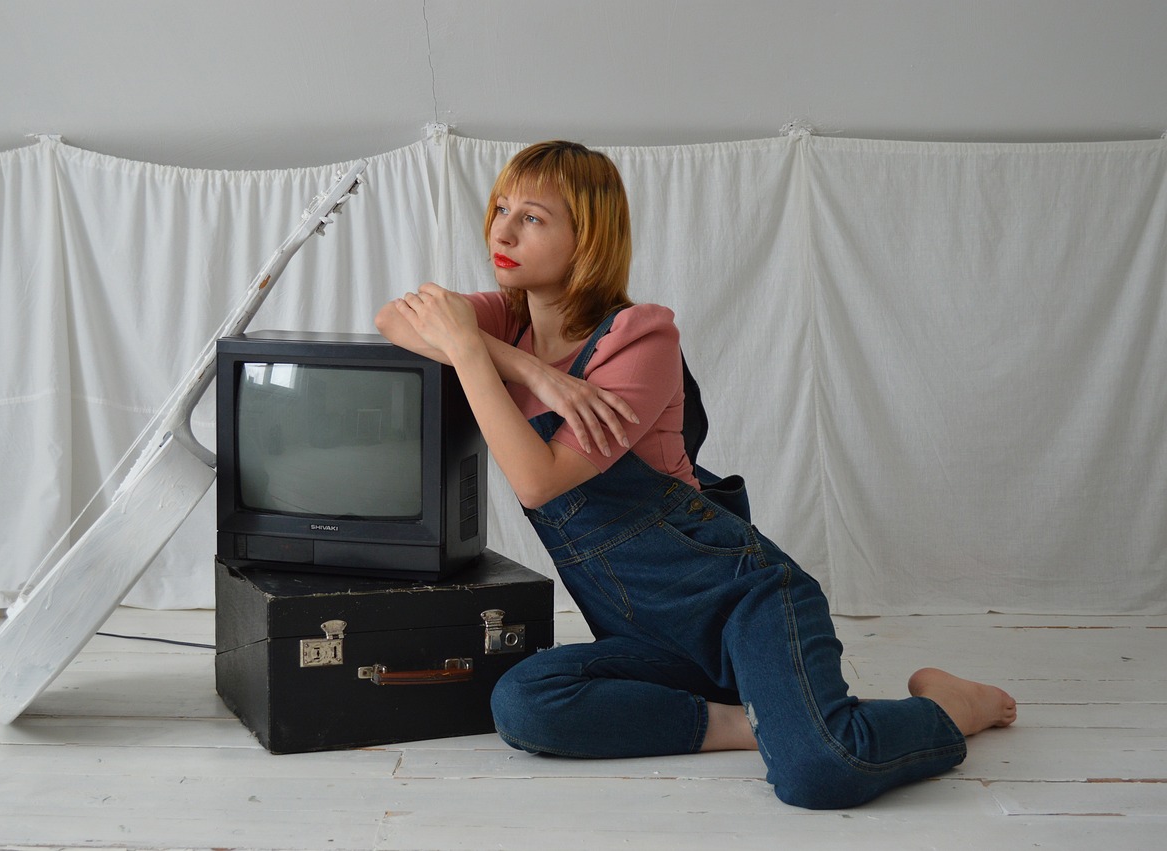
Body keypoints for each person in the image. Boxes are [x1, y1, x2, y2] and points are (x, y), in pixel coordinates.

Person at [374, 140, 1016, 809]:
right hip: (644, 637)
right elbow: (394, 316)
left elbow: (537, 480)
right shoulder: (506, 319)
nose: (501, 230)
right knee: (523, 703)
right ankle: (748, 724)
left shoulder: (639, 338)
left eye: (532, 217)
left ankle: (949, 705)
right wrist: (531, 369)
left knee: (821, 772)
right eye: (501, 207)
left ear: (588, 235)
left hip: (745, 602)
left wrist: (470, 353)